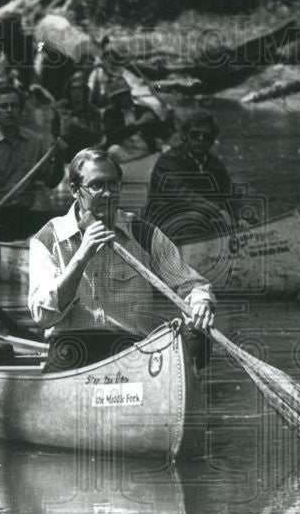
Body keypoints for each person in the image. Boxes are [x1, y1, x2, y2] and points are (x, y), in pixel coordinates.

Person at [28, 148, 215, 373]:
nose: (108, 194)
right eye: (97, 186)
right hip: (72, 347)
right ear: (75, 191)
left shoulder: (142, 233)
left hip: (132, 348)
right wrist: (81, 256)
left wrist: (201, 302)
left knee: (198, 335)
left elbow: (191, 283)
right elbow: (42, 317)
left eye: (113, 185)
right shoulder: (49, 238)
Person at [0, 84, 65, 241]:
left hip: (25, 214)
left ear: (20, 110)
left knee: (63, 222)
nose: (9, 110)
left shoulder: (34, 142)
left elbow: (50, 182)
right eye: (3, 106)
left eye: (14, 106)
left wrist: (59, 157)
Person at [144, 111, 248, 242]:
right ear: (185, 136)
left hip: (202, 218)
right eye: (195, 135)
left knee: (248, 222)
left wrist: (242, 217)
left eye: (207, 136)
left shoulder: (214, 164)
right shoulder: (167, 162)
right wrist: (217, 211)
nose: (200, 139)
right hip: (162, 225)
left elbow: (230, 194)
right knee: (198, 218)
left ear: (212, 140)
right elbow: (182, 195)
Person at [99, 82, 172, 154]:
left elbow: (163, 133)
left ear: (130, 94)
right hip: (126, 153)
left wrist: (167, 119)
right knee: (113, 150)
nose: (122, 100)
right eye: (118, 97)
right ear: (114, 100)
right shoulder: (110, 114)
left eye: (124, 95)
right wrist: (137, 124)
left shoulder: (143, 110)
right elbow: (113, 136)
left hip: (147, 150)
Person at [51, 71, 104, 162]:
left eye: (80, 89)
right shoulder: (62, 108)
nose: (76, 92)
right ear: (69, 91)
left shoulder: (93, 111)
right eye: (74, 89)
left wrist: (79, 126)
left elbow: (98, 136)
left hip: (84, 149)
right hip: (64, 149)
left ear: (84, 91)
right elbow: (54, 130)